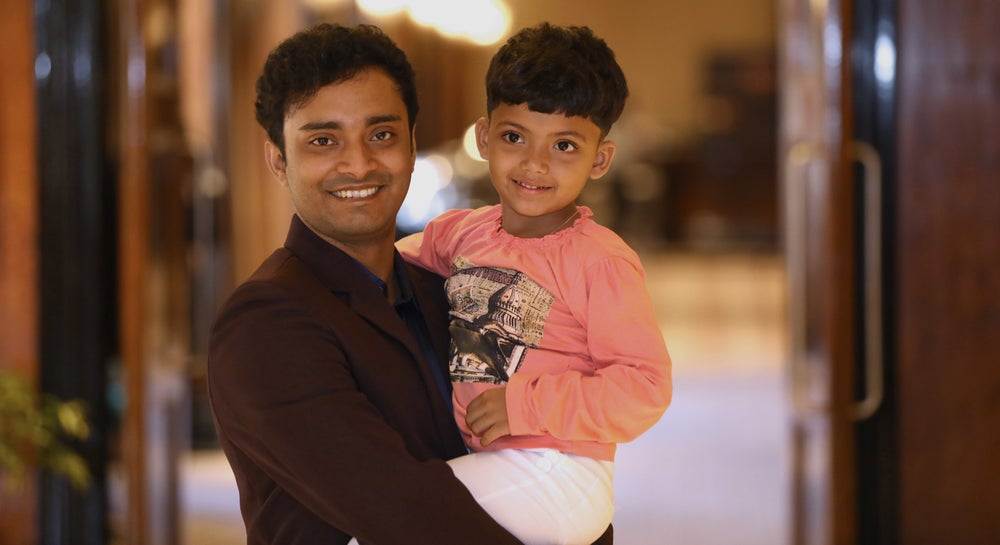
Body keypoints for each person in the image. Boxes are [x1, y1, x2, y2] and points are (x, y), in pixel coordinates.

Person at [208, 23, 614, 544]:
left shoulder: (446, 284)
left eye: (381, 135)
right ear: (278, 161)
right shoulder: (265, 323)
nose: (358, 164)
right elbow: (403, 514)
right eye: (323, 140)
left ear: (411, 143)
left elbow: (557, 457)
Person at [396, 23, 673, 545]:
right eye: (514, 136)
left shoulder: (600, 261)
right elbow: (381, 269)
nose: (534, 162)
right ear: (484, 138)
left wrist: (523, 405)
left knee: (395, 515)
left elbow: (645, 389)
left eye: (564, 144)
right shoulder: (462, 233)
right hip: (493, 462)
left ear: (600, 159)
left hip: (559, 469)